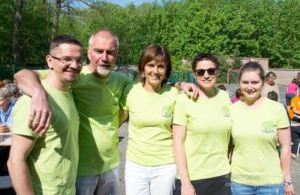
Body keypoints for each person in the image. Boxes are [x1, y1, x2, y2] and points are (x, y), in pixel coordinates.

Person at [14, 30, 197, 195]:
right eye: (99, 51)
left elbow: (149, 89)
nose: (105, 57)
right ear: (89, 52)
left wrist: (181, 85)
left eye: (110, 52)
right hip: (81, 170)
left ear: (116, 55)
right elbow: (22, 74)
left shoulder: (122, 82)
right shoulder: (74, 75)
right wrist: (38, 93)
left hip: (112, 166)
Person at [7, 35, 83, 194]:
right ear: (50, 61)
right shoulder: (32, 101)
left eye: (79, 60)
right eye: (67, 59)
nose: (74, 65)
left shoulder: (68, 93)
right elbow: (15, 161)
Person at [229, 62, 295, 195]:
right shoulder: (231, 110)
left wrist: (287, 181)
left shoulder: (277, 109)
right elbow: (228, 147)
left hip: (270, 183)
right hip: (239, 183)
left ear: (263, 82)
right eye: (245, 82)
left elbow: (286, 148)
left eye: (254, 82)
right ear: (239, 83)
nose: (249, 87)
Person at [172, 53, 232, 195]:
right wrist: (186, 183)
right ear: (194, 74)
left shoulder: (225, 97)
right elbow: (177, 142)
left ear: (217, 72)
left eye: (211, 71)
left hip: (223, 175)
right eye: (201, 72)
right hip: (194, 177)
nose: (206, 75)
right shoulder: (184, 100)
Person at [124, 45, 178, 195]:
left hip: (165, 165)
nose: (155, 71)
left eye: (161, 66)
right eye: (151, 65)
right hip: (135, 165)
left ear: (167, 70)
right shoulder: (130, 91)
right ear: (143, 68)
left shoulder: (175, 94)